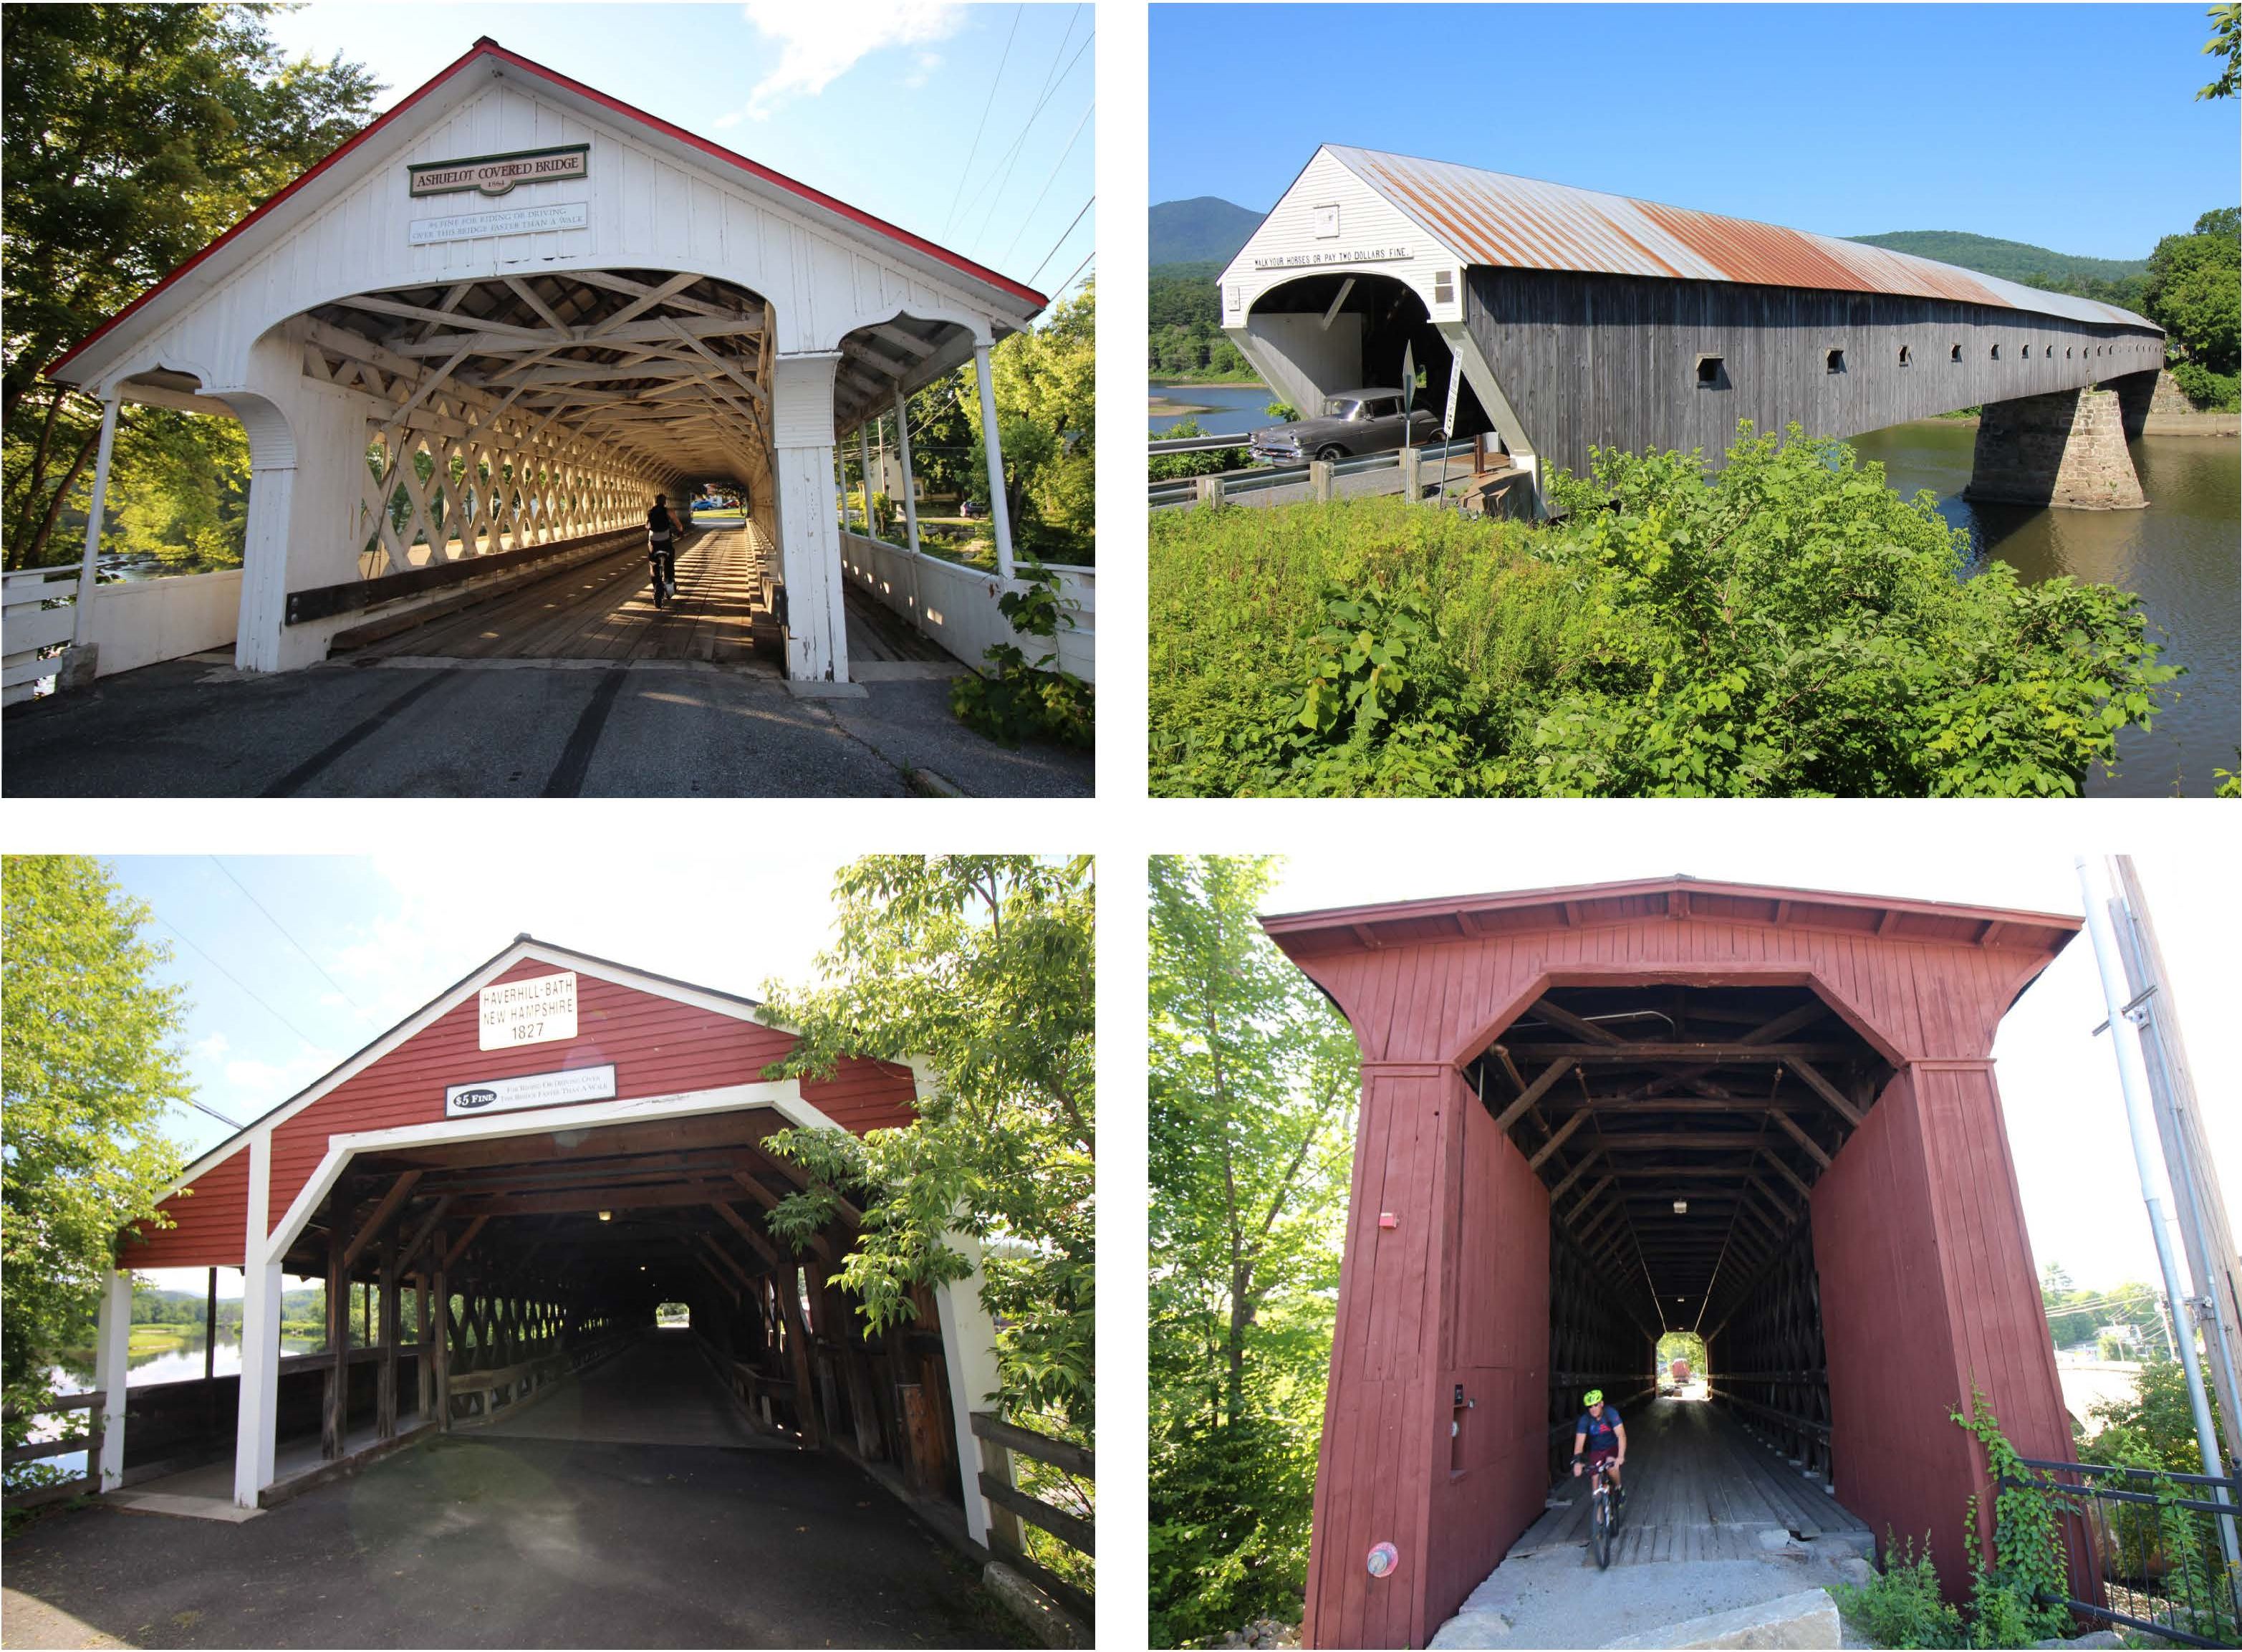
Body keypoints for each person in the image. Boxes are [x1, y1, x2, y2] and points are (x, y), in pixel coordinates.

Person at [1572, 1388, 1627, 1499]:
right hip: (1597, 1450)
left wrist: (1621, 1456)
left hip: (1612, 1446)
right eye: (1590, 1406)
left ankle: (1619, 1488)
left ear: (1602, 1403)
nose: (1593, 1409)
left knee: (1611, 1467)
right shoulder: (1585, 1419)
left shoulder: (1610, 1413)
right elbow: (1579, 1443)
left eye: (1596, 1405)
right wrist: (1577, 1462)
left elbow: (1621, 1435)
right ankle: (1599, 1514)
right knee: (1595, 1478)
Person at [645, 493, 678, 608]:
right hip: (665, 542)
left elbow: (647, 526)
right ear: (665, 502)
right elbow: (678, 524)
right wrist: (680, 530)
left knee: (653, 563)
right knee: (669, 560)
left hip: (653, 543)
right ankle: (669, 582)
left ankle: (656, 587)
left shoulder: (650, 512)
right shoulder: (669, 511)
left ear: (655, 501)